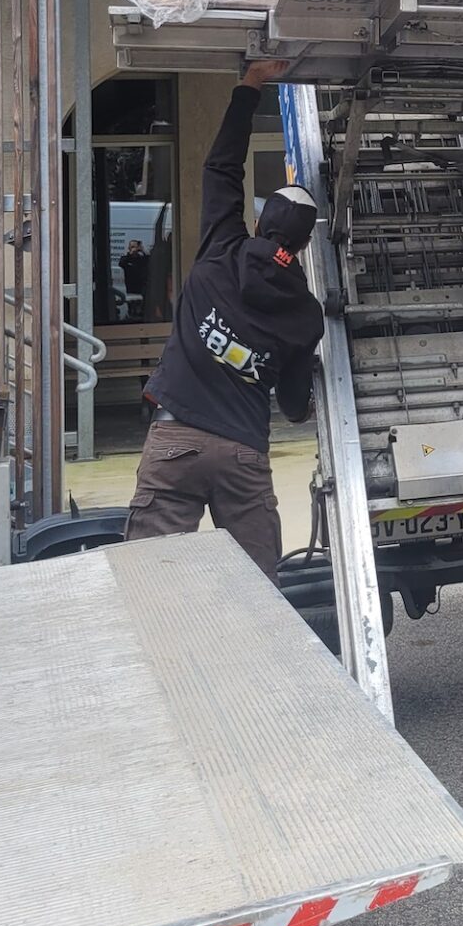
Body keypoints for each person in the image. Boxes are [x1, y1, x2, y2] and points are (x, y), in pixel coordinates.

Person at [125, 61, 324, 580]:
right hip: (242, 454)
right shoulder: (305, 314)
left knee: (150, 583)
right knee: (260, 594)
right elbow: (294, 404)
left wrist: (250, 85)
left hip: (174, 441)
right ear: (305, 244)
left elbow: (221, 168)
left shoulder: (221, 248)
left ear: (257, 223)